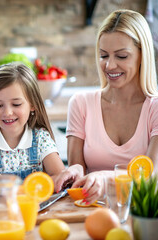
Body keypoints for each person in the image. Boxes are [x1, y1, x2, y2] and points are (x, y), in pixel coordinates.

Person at [67, 9, 158, 204]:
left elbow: (151, 177)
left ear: (143, 55)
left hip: (142, 215)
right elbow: (77, 175)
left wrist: (104, 177)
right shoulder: (81, 103)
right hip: (91, 213)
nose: (109, 66)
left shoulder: (155, 108)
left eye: (121, 56)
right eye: (103, 55)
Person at [0, 63, 83, 191]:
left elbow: (60, 178)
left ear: (32, 104)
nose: (7, 112)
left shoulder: (41, 139)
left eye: (16, 104)